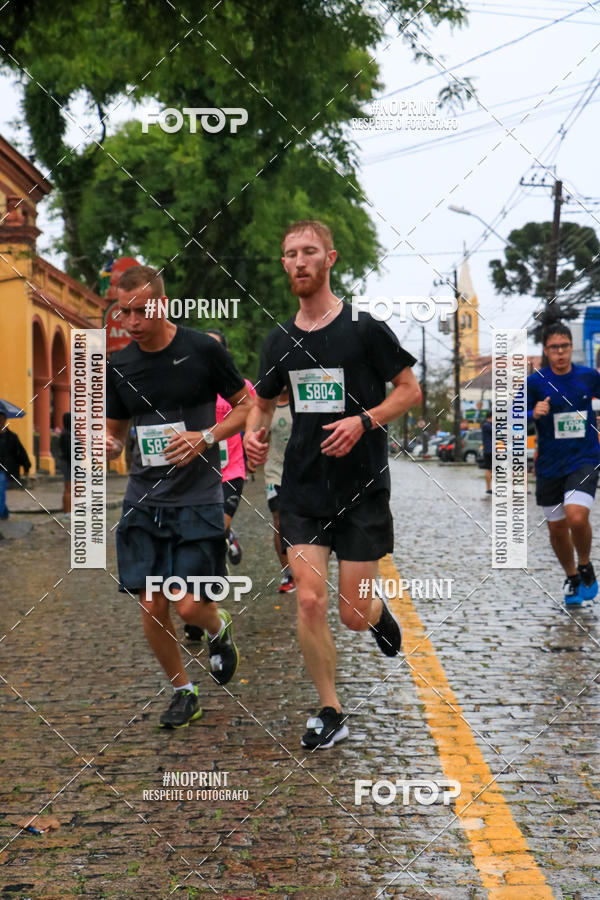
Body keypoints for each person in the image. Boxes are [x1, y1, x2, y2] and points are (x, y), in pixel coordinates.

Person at [245, 220, 420, 749]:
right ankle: (330, 709)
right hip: (302, 490)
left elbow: (409, 391)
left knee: (349, 611)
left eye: (309, 252)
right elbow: (264, 398)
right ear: (284, 264)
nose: (299, 261)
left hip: (362, 488)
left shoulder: (365, 329)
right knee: (309, 600)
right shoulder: (279, 340)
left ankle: (374, 611)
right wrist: (254, 436)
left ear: (331, 258)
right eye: (290, 253)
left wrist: (364, 421)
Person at [106, 265, 252, 728]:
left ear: (162, 303)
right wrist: (108, 445)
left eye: (141, 311)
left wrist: (205, 436)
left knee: (189, 605)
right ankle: (183, 691)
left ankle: (218, 626)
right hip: (145, 497)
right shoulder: (120, 366)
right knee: (152, 603)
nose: (132, 321)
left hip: (199, 496)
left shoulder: (202, 349)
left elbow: (247, 408)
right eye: (123, 312)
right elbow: (115, 431)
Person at [183, 329, 256, 642]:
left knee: (212, 534)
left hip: (230, 472)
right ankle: (200, 611)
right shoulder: (187, 387)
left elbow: (253, 416)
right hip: (196, 477)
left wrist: (253, 443)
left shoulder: (241, 388)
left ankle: (203, 607)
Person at [527, 322, 600, 606]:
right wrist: (534, 411)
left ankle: (584, 564)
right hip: (549, 465)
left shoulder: (588, 376)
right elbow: (511, 416)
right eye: (554, 348)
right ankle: (571, 576)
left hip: (583, 459)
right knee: (557, 529)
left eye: (564, 347)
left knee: (577, 516)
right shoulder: (536, 382)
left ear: (571, 347)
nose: (560, 353)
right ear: (546, 351)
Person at [263, 387, 294, 593]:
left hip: (301, 473)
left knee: (300, 522)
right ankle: (288, 574)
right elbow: (260, 436)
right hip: (274, 473)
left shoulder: (301, 402)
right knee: (279, 521)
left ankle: (308, 567)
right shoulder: (266, 406)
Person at [0, 412, 31, 518]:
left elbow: (21, 452)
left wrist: (26, 466)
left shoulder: (12, 437)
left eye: (2, 419)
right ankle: (4, 513)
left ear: (5, 420)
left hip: (4, 470)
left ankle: (1, 512)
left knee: (1, 490)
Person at [58, 412, 72, 518]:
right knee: (68, 488)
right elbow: (70, 452)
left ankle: (70, 510)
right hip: (68, 463)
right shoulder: (66, 434)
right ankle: (67, 512)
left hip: (70, 463)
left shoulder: (69, 433)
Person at [481, 410, 492, 495]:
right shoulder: (486, 425)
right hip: (489, 451)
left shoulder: (487, 425)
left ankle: (490, 488)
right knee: (488, 469)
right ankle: (488, 488)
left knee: (490, 469)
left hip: (490, 450)